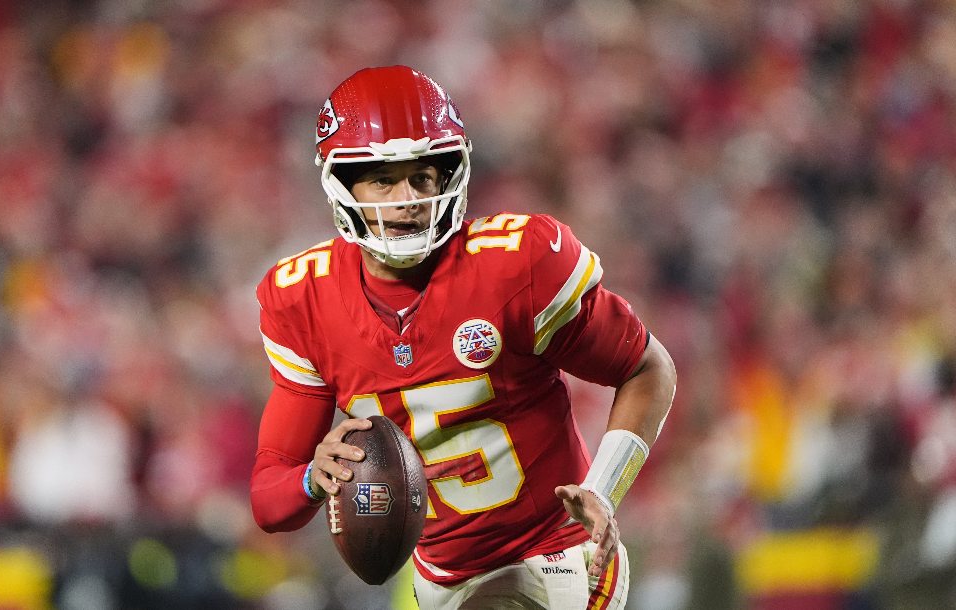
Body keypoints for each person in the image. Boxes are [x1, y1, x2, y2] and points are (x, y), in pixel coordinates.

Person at [251, 65, 676, 609]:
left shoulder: (514, 264)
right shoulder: (302, 299)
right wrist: (316, 477)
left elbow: (647, 368)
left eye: (423, 177)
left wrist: (603, 490)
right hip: (443, 577)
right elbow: (269, 498)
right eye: (384, 177)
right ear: (342, 183)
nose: (406, 197)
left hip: (558, 551)